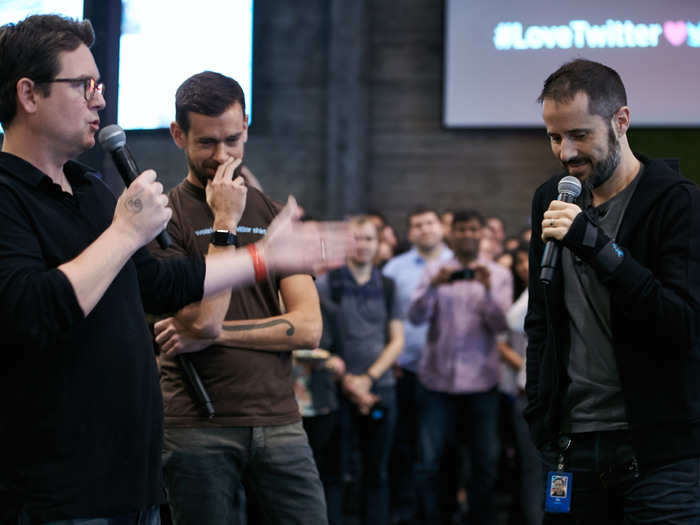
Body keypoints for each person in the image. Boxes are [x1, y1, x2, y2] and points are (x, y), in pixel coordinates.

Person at [0, 15, 344, 523]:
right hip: (57, 484)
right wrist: (125, 233)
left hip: (130, 477)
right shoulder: (8, 195)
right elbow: (32, 308)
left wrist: (263, 259)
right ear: (29, 94)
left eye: (100, 86)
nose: (99, 100)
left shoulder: (90, 188)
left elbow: (157, 284)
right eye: (84, 85)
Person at [150, 71, 329, 525]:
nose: (223, 156)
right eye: (207, 143)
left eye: (232, 139)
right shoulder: (160, 219)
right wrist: (224, 226)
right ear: (178, 136)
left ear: (246, 126)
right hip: (196, 425)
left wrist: (217, 335)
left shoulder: (270, 212)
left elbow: (307, 327)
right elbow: (200, 320)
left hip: (278, 418)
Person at [526, 58, 700, 523]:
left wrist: (596, 245)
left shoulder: (676, 201)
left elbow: (682, 323)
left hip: (658, 456)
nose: (566, 153)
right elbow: (540, 318)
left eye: (580, 135)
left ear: (620, 121)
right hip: (571, 447)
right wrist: (539, 412)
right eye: (554, 137)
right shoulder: (551, 197)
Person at [409, 209, 512, 525]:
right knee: (433, 462)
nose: (467, 235)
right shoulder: (434, 271)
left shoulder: (498, 275)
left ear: (481, 234)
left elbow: (500, 325)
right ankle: (438, 517)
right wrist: (433, 288)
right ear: (451, 234)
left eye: (472, 230)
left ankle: (479, 518)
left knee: (484, 462)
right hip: (437, 381)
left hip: (481, 382)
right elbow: (415, 316)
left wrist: (486, 291)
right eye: (461, 230)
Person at [315, 215, 404, 525]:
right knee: (334, 471)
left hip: (380, 389)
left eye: (368, 239)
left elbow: (397, 341)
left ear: (378, 244)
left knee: (377, 470)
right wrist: (350, 383)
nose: (362, 245)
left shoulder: (389, 285)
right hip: (337, 389)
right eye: (356, 238)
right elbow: (317, 342)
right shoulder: (328, 284)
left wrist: (367, 379)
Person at [381, 206, 452, 524]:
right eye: (417, 225)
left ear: (441, 227)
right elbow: (386, 320)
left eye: (429, 223)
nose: (424, 229)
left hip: (449, 374)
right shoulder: (394, 269)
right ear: (409, 233)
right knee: (404, 444)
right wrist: (390, 358)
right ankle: (407, 509)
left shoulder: (460, 263)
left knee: (442, 449)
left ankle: (439, 512)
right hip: (405, 368)